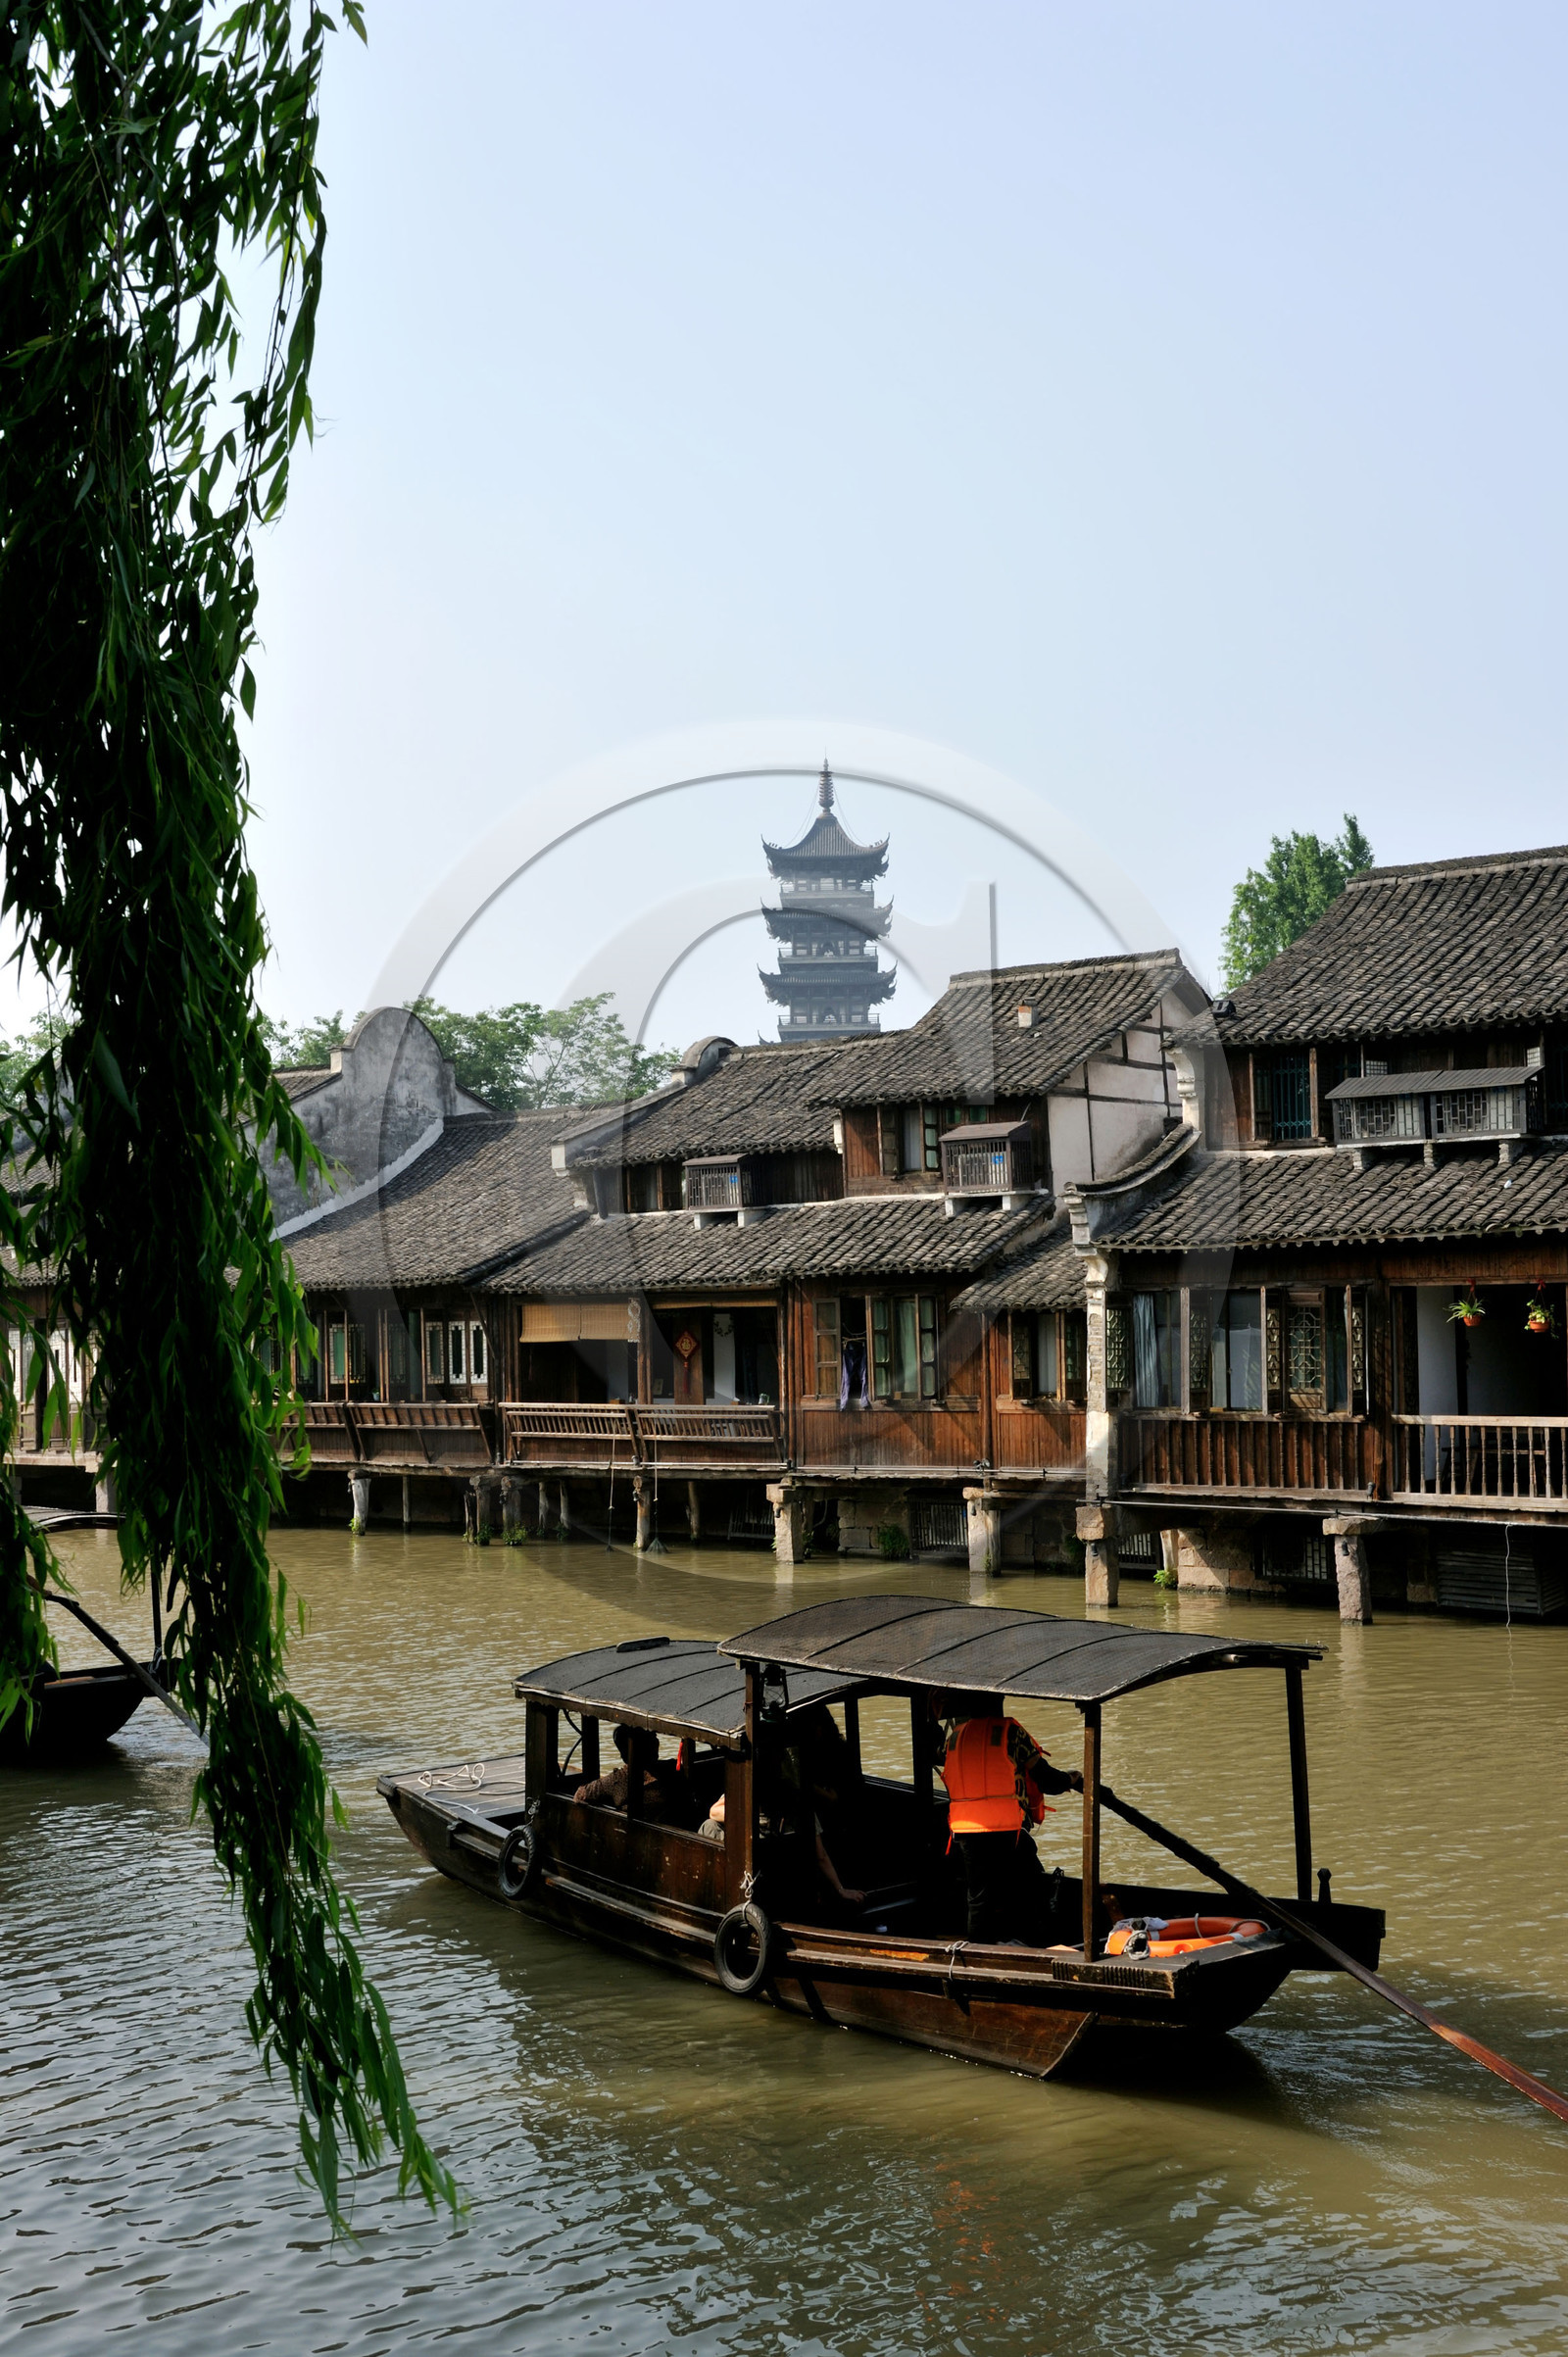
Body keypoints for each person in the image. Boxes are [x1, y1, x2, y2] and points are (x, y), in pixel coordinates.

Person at [935, 1693, 1075, 1945]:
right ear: (998, 1703)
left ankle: (978, 1948)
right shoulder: (1010, 1732)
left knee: (978, 1894)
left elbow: (936, 1755)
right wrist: (1071, 1779)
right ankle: (1033, 1942)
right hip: (1005, 1826)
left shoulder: (955, 1736)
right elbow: (1046, 1779)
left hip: (966, 1829)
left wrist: (932, 1717)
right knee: (1028, 1885)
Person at [574, 1723, 679, 1818]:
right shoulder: (617, 1780)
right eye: (650, 1739)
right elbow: (581, 1794)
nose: (655, 1743)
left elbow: (581, 1794)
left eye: (654, 1737)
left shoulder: (669, 1768)